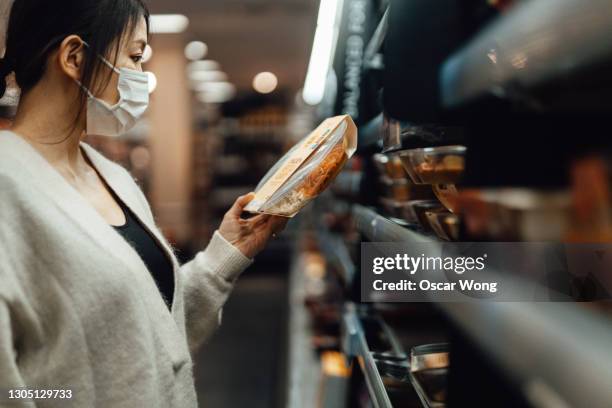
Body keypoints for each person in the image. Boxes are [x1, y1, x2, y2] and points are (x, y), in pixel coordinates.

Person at [0, 1, 287, 406]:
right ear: (74, 57)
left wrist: (226, 253)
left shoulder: (112, 176)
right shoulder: (7, 192)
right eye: (135, 57)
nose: (141, 75)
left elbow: (146, 332)